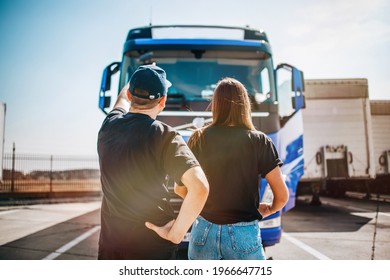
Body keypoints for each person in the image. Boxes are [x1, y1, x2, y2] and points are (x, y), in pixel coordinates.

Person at [97, 64, 209, 260]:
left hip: (110, 247)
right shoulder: (165, 136)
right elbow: (200, 187)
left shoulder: (108, 125)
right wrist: (175, 234)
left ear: (131, 95)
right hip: (151, 249)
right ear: (163, 101)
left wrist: (140, 75)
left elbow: (121, 99)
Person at [176, 77, 289, 260]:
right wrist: (268, 209)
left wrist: (204, 204)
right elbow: (282, 196)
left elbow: (180, 189)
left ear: (216, 104)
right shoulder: (260, 141)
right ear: (244, 104)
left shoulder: (198, 138)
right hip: (243, 234)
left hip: (203, 231)